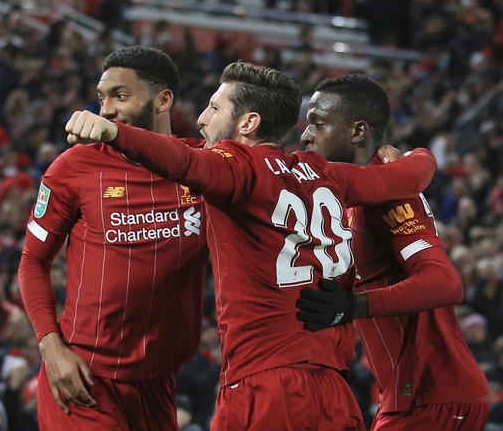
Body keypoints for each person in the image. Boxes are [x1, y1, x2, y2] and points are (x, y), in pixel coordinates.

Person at [62, 61, 438, 430]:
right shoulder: (327, 173)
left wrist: (115, 133)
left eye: (213, 108)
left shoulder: (236, 168)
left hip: (266, 388)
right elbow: (412, 175)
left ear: (247, 123)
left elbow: (178, 161)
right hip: (334, 393)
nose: (201, 120)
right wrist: (414, 154)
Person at [18, 46, 210, 430]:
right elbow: (33, 261)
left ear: (163, 99)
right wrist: (50, 346)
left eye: (121, 96)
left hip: (158, 381)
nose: (106, 111)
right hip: (85, 376)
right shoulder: (74, 167)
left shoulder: (205, 168)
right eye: (102, 98)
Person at [296, 73, 489, 429]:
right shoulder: (366, 188)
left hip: (430, 395)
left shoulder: (386, 194)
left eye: (318, 123)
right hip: (415, 393)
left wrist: (353, 307)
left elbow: (446, 282)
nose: (306, 135)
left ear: (358, 132)